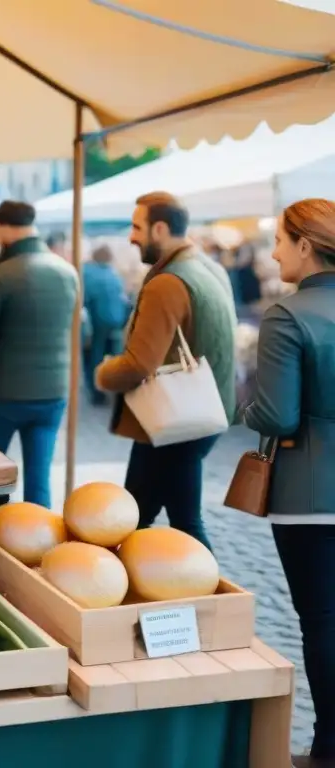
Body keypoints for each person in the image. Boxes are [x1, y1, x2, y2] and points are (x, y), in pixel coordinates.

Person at [241, 199, 335, 768]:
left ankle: (328, 749)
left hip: (311, 494)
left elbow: (275, 415)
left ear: (305, 244)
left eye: (279, 239)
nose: (274, 251)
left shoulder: (289, 314)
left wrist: (245, 407)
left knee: (323, 622)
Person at [96, 192, 237, 550]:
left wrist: (102, 373)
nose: (131, 237)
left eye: (136, 227)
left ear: (159, 229)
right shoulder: (209, 268)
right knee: (150, 517)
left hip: (172, 421)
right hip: (200, 413)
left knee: (161, 522)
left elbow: (138, 364)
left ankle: (203, 602)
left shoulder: (167, 283)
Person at [0, 201, 78, 508]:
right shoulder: (67, 272)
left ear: (5, 227)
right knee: (39, 480)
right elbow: (81, 330)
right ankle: (38, 547)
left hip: (3, 392)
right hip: (53, 391)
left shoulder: (0, 275)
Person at [82, 245, 129, 405]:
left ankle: (97, 391)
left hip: (97, 320)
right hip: (117, 319)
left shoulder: (87, 273)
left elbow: (83, 299)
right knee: (114, 354)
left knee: (95, 355)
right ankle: (114, 389)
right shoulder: (113, 274)